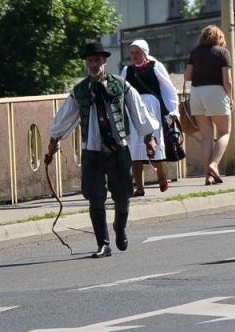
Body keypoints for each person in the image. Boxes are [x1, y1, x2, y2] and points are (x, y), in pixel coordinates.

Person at [45, 42, 157, 258]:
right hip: (92, 150)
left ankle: (120, 228)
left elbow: (138, 112)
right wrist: (53, 141)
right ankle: (103, 243)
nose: (93, 64)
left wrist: (149, 137)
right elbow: (65, 118)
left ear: (104, 61)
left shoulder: (121, 85)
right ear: (86, 63)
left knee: (123, 194)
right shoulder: (79, 91)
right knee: (95, 197)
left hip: (118, 148)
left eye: (97, 60)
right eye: (90, 61)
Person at [122, 39, 177, 197]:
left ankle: (161, 177)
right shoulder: (127, 71)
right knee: (134, 148)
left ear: (144, 53)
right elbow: (120, 92)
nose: (134, 56)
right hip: (134, 110)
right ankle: (139, 187)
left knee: (154, 145)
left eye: (137, 53)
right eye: (132, 53)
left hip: (152, 110)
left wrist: (173, 110)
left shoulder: (156, 67)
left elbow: (168, 89)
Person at [183, 24, 234, 185]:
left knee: (206, 137)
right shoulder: (223, 52)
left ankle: (209, 176)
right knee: (224, 132)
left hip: (197, 93)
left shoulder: (195, 53)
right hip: (216, 93)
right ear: (219, 38)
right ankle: (214, 164)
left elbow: (187, 76)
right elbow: (228, 80)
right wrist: (230, 97)